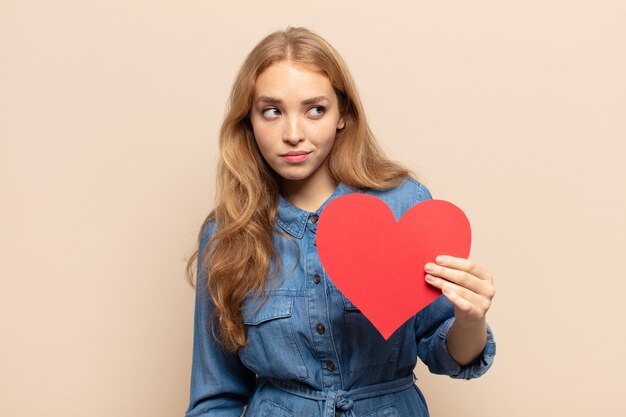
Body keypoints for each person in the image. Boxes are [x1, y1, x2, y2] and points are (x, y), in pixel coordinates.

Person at [184, 27, 496, 417]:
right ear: (248, 121)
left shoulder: (404, 205)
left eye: (315, 109)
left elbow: (448, 354)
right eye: (272, 111)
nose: (293, 134)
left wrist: (471, 318)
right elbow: (215, 398)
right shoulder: (226, 233)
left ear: (343, 115)